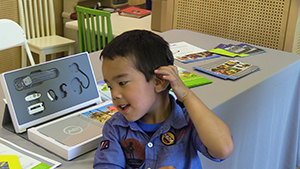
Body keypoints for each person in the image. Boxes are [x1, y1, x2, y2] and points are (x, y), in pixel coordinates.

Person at [93, 30, 234, 169]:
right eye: (110, 86)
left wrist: (186, 95)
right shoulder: (115, 128)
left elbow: (223, 149)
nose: (115, 94)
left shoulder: (188, 121)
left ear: (159, 82)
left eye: (122, 83)